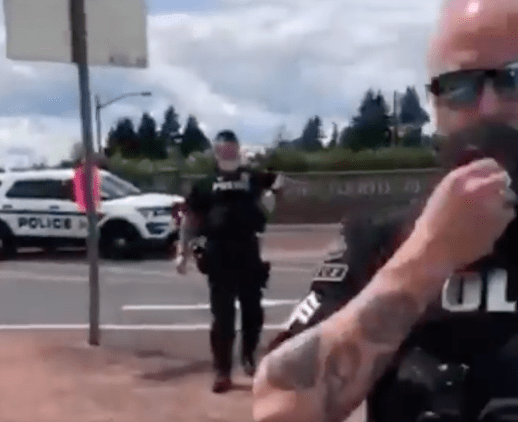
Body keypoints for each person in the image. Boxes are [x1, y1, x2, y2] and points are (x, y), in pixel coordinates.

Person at [252, 1, 518, 421]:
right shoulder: (383, 236)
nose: (488, 107)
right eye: (460, 86)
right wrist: (429, 256)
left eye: (513, 79)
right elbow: (276, 408)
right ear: (435, 104)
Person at [175, 130, 283, 393]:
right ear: (215, 151)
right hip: (218, 253)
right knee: (222, 316)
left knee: (253, 312)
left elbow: (281, 184)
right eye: (223, 148)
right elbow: (191, 220)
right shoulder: (205, 184)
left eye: (232, 147)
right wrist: (183, 251)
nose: (228, 151)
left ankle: (249, 359)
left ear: (238, 149)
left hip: (248, 250)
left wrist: (270, 201)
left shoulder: (252, 178)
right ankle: (222, 371)